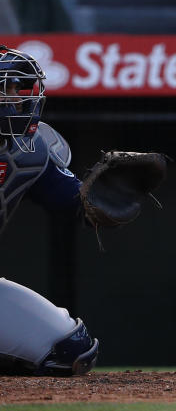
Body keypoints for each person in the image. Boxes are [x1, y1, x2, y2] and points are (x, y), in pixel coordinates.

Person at [0, 46, 159, 376]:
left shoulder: (29, 152)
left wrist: (104, 199)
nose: (14, 99)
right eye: (6, 89)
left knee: (70, 350)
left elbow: (80, 205)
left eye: (17, 89)